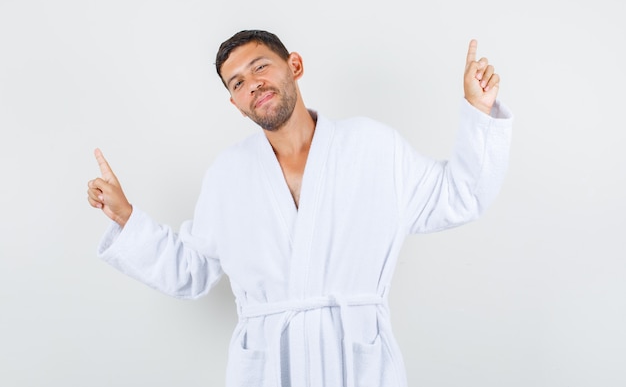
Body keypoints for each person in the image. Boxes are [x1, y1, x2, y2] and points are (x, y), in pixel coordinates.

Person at [87, 30, 513, 387]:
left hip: (356, 360)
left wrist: (478, 111)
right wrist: (127, 217)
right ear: (234, 104)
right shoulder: (227, 175)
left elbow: (461, 195)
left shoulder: (373, 148)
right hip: (270, 367)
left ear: (294, 65)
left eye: (259, 66)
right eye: (236, 83)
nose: (251, 83)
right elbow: (190, 270)